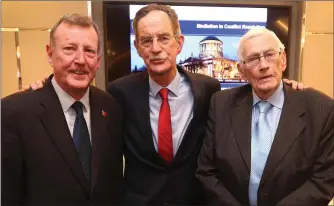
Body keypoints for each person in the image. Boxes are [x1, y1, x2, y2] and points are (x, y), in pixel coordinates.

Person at [24, 4, 304, 205]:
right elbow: (76, 96)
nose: (156, 48)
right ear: (138, 46)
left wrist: (288, 87)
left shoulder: (208, 89)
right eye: (147, 40)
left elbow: (250, 91)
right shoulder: (118, 92)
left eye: (164, 38)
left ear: (179, 43)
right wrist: (45, 87)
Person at [196, 28, 334, 206]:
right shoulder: (221, 103)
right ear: (241, 70)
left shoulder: (320, 108)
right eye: (253, 59)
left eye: (270, 55)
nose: (263, 65)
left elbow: (323, 179)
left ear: (282, 60)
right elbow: (207, 172)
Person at [1, 13, 124, 205]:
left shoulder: (110, 107)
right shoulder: (13, 112)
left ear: (98, 61)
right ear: (50, 54)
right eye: (69, 49)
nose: (81, 60)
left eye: (89, 51)